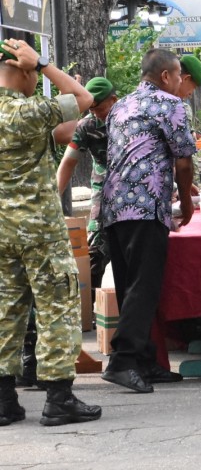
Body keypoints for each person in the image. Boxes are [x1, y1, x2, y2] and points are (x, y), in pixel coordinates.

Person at [0, 37, 101, 426]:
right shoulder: (25, 111)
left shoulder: (24, 114)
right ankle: (59, 397)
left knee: (6, 310)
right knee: (56, 305)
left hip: (3, 233)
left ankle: (4, 399)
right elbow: (83, 98)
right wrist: (43, 64)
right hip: (38, 229)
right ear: (23, 71)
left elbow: (61, 130)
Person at [100, 48, 196, 393]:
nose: (181, 80)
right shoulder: (172, 105)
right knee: (145, 284)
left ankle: (144, 361)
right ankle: (123, 360)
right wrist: (186, 204)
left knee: (130, 286)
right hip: (144, 206)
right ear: (167, 76)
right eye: (179, 74)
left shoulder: (120, 106)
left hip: (113, 207)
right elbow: (183, 162)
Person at [56, 78, 118, 308]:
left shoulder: (129, 118)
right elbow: (68, 163)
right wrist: (53, 198)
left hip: (133, 189)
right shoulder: (87, 126)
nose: (97, 114)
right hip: (103, 190)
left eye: (100, 108)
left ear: (114, 99)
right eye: (92, 109)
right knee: (96, 248)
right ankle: (90, 308)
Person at [175, 55, 201, 184]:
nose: (191, 93)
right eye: (193, 87)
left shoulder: (184, 107)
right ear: (186, 79)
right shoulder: (170, 108)